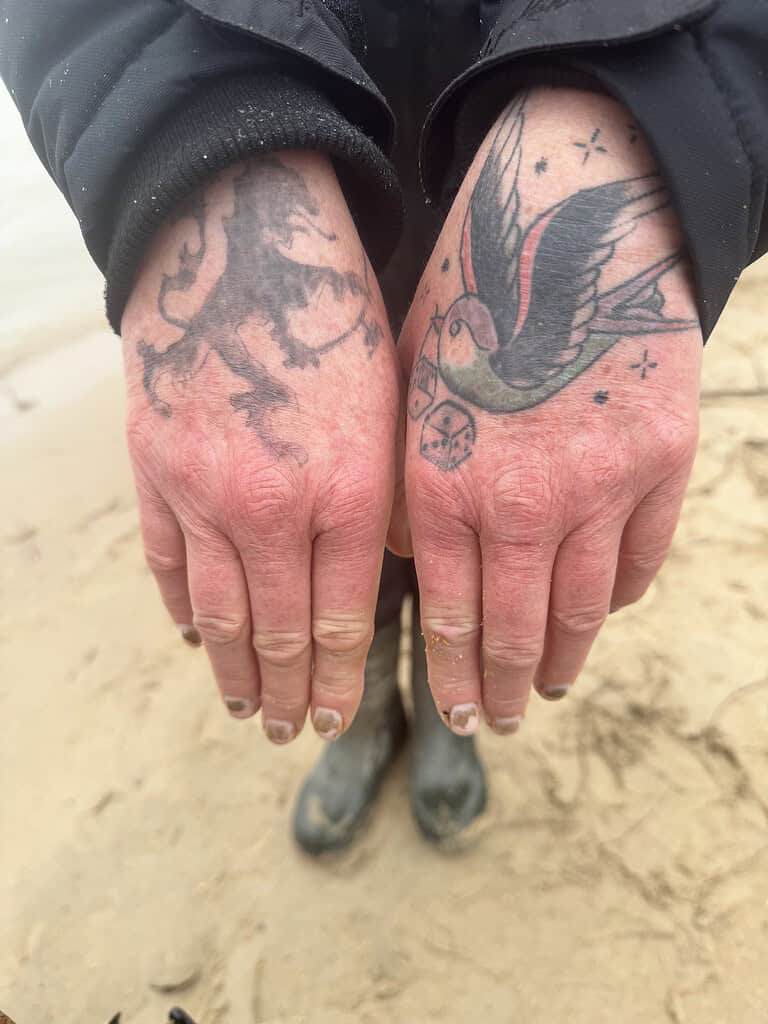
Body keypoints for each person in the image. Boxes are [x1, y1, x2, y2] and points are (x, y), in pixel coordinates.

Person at [2, 0, 766, 853]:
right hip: (296, 116)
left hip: (512, 125)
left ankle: (451, 708)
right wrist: (192, 118)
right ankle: (366, 712)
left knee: (483, 526)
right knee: (312, 511)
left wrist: (652, 87)